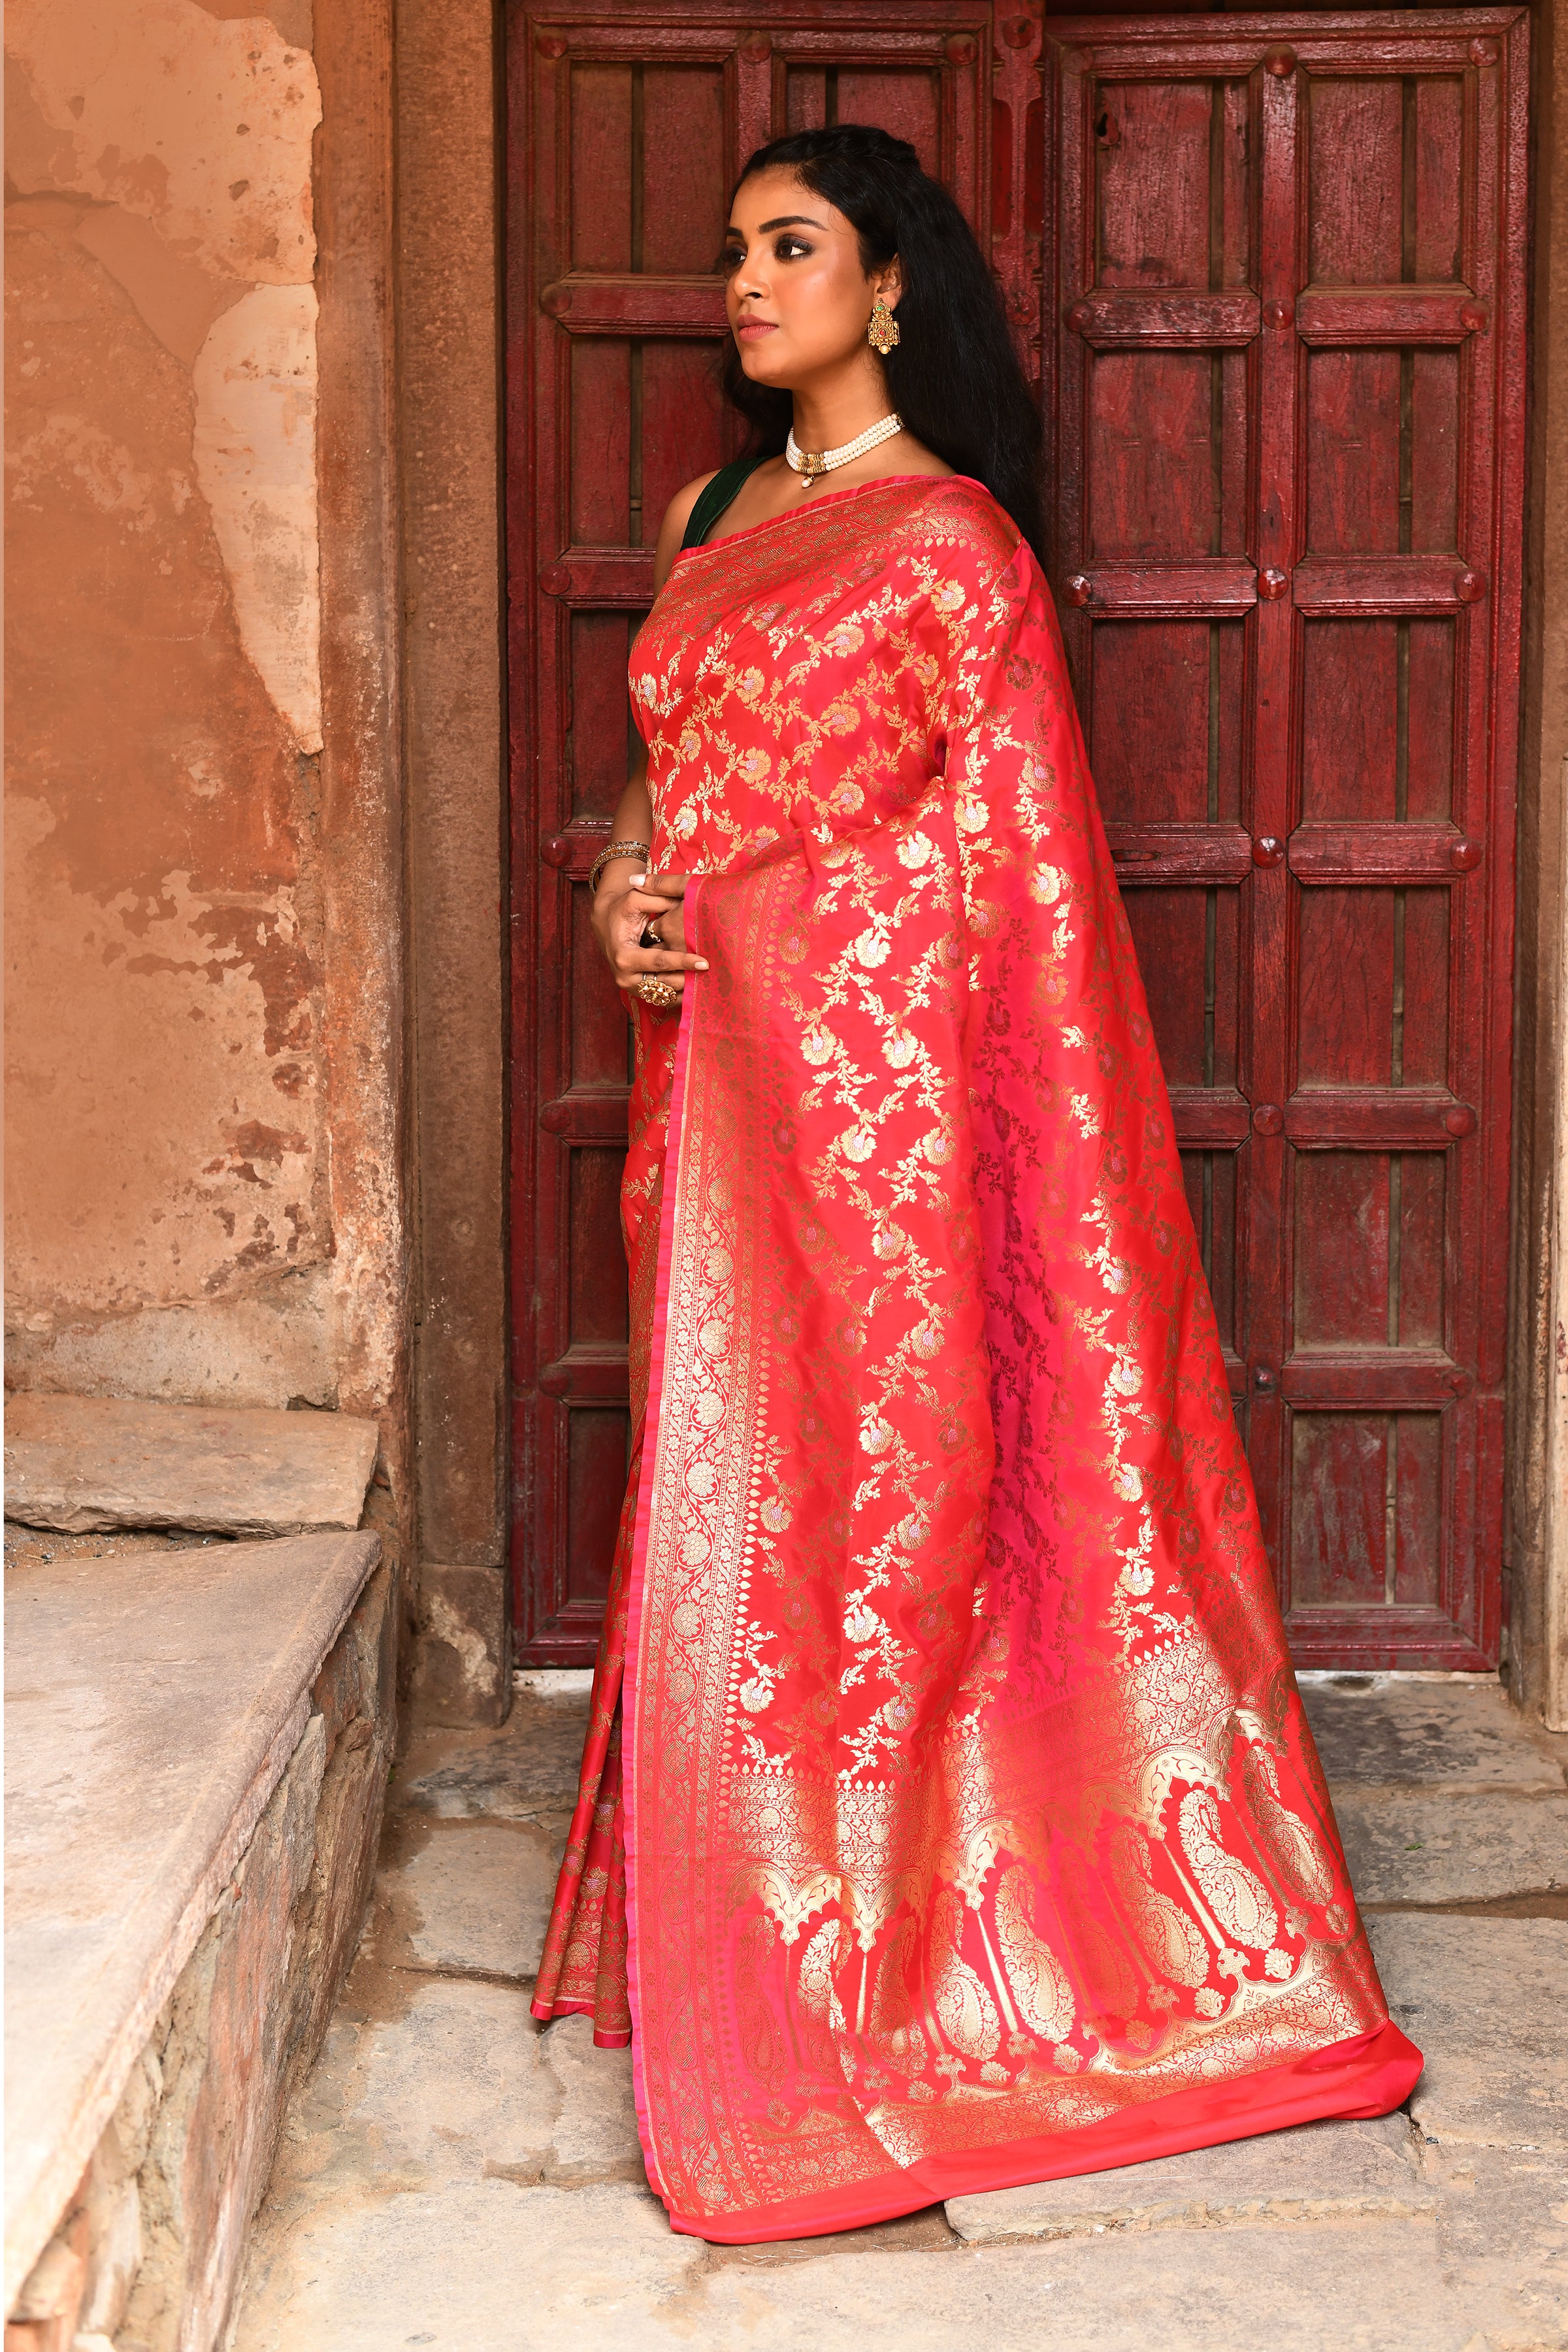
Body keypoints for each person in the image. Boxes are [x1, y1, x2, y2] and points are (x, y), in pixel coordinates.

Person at [531, 122, 1420, 2244]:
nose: (745, 283)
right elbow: (662, 793)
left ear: (893, 284)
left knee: (889, 1492)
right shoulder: (712, 513)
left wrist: (817, 985)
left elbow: (1012, 891)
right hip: (717, 1101)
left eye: (790, 246)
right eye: (734, 248)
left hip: (885, 1121)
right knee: (730, 1481)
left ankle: (886, 1928)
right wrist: (622, 908)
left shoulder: (954, 548)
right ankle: (739, 1900)